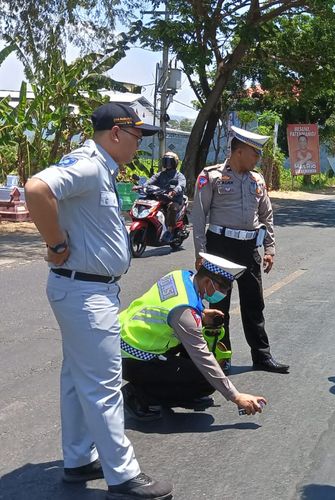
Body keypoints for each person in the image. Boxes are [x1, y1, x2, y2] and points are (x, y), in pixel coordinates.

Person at [24, 102, 173, 499]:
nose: (140, 144)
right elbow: (36, 188)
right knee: (104, 384)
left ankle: (78, 458)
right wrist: (55, 243)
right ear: (117, 133)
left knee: (77, 378)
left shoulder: (103, 170)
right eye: (138, 136)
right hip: (85, 291)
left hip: (87, 288)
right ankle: (123, 475)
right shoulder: (90, 164)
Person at [119, 253, 267, 421]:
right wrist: (236, 396)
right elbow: (203, 358)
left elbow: (169, 307)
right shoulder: (185, 311)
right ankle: (137, 396)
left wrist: (202, 314)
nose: (224, 294)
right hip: (132, 357)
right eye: (223, 288)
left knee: (195, 356)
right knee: (205, 379)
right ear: (207, 282)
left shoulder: (181, 275)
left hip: (124, 336)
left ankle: (179, 392)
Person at [192, 125, 289, 374]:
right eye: (254, 153)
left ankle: (262, 356)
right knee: (219, 304)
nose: (258, 158)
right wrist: (201, 255)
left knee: (254, 302)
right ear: (239, 151)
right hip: (219, 246)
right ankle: (220, 358)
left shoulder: (257, 179)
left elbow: (266, 216)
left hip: (249, 247)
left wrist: (270, 248)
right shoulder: (211, 176)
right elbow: (200, 217)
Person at [143, 151, 186, 242]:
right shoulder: (160, 174)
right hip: (161, 199)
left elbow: (181, 185)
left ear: (175, 163)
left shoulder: (179, 176)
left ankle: (170, 231)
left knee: (172, 207)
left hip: (174, 200)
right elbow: (150, 180)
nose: (168, 164)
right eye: (166, 161)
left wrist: (174, 191)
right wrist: (142, 186)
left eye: (170, 162)